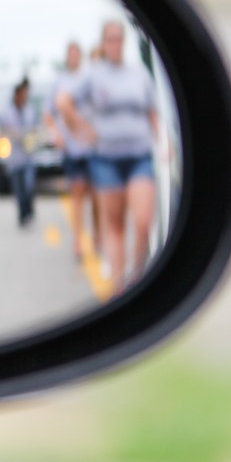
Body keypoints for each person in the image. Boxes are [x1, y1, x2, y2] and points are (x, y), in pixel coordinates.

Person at [58, 20, 159, 291]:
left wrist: (162, 142)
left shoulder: (138, 74)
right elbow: (63, 103)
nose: (115, 43)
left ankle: (137, 275)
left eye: (118, 38)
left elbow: (153, 111)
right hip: (106, 159)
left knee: (143, 220)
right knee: (114, 224)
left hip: (139, 156)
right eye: (110, 39)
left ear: (123, 41)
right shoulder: (94, 75)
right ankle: (119, 285)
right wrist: (80, 128)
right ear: (103, 43)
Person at [47, 40, 98, 260]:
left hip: (93, 147)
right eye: (70, 54)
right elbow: (49, 113)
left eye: (77, 54)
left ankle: (98, 235)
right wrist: (56, 132)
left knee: (96, 194)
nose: (73, 58)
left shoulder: (89, 79)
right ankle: (78, 240)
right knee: (76, 193)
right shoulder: (60, 81)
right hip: (72, 148)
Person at [0, 77, 40, 228]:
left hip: (28, 155)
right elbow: (2, 131)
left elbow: (36, 128)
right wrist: (13, 135)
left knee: (29, 186)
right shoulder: (7, 112)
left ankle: (29, 211)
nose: (24, 97)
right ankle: (22, 216)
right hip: (15, 157)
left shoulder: (30, 110)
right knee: (19, 190)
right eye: (22, 94)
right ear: (16, 95)